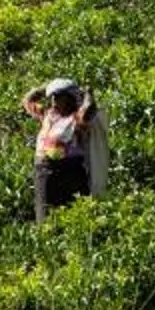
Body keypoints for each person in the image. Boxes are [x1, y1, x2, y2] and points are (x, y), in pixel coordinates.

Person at [23, 76, 96, 220]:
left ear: (70, 99)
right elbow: (28, 101)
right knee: (46, 216)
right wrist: (46, 88)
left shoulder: (76, 118)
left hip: (71, 171)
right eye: (53, 97)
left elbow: (89, 110)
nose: (54, 101)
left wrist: (87, 93)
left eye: (59, 97)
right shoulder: (47, 115)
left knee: (76, 214)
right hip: (45, 172)